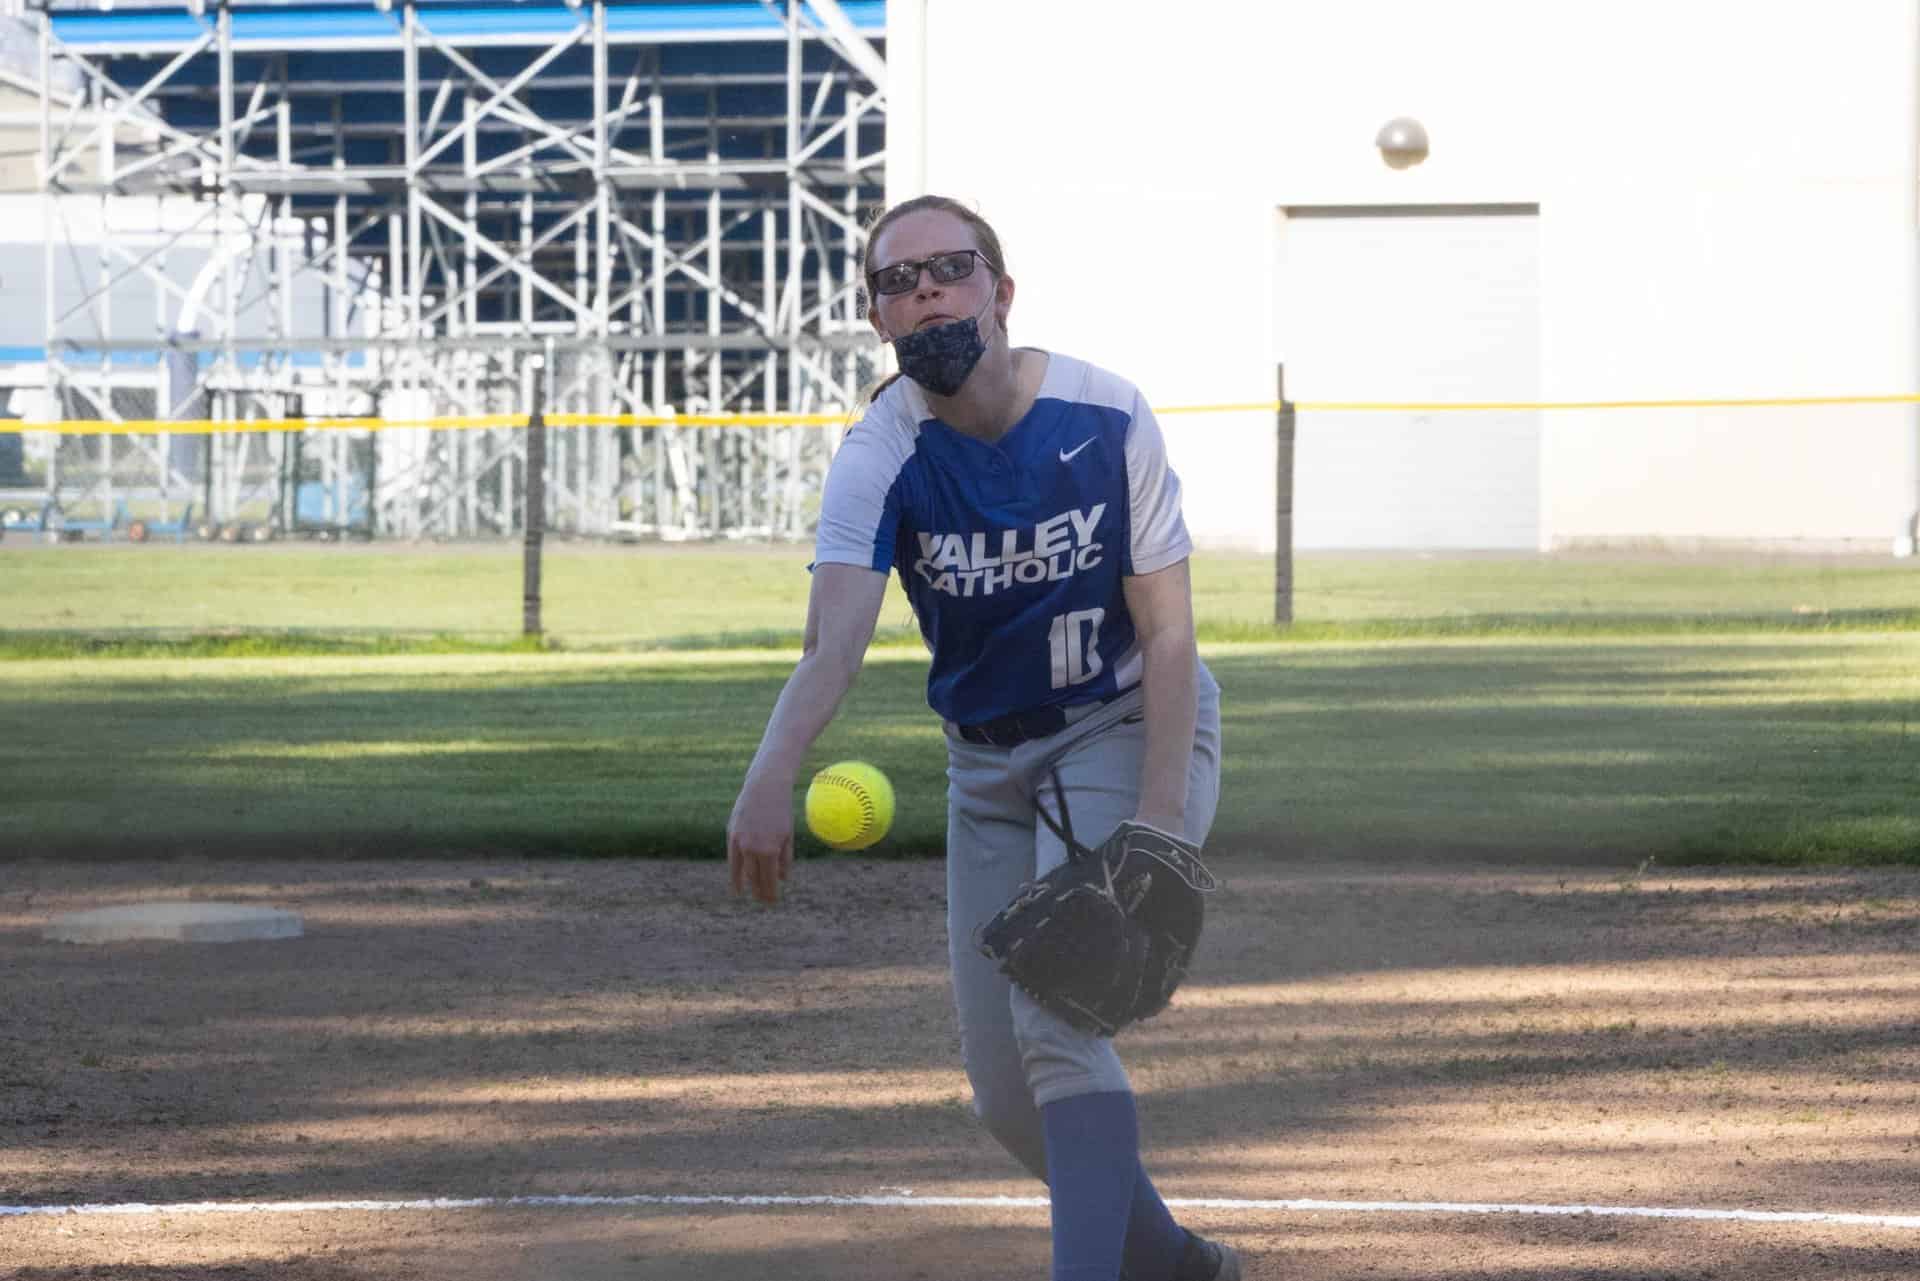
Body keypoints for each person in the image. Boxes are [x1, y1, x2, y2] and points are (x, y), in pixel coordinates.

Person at [725, 194, 1236, 1281]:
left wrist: (1156, 827)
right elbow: (832, 647)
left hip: (1121, 725)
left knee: (1057, 1019)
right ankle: (1179, 1265)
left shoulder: (1106, 414)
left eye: (949, 270)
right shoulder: (881, 453)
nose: (925, 294)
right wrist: (769, 774)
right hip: (986, 768)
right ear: (877, 319)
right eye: (896, 282)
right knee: (1007, 1098)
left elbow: (1170, 633)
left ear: (1001, 291)